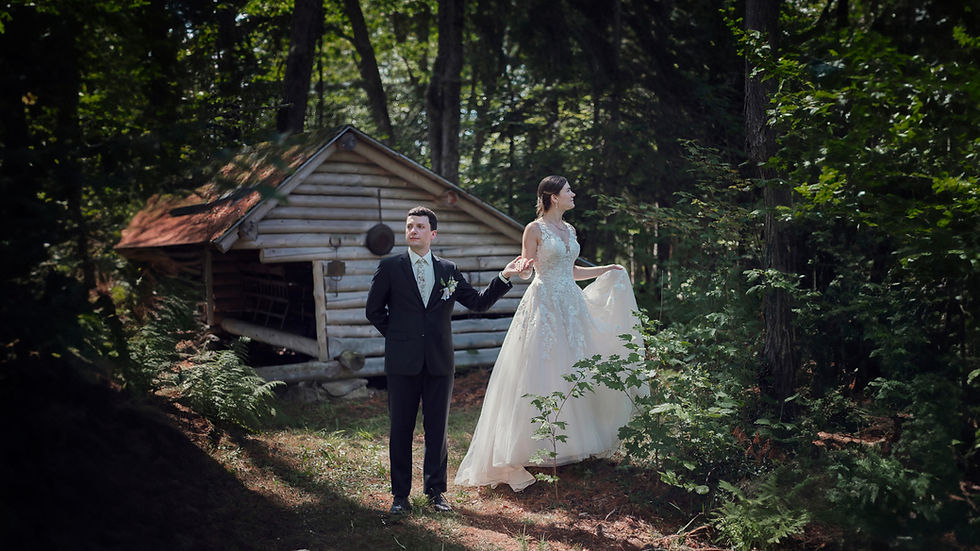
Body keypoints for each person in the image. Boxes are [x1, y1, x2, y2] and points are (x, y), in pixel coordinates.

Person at [454, 175, 644, 492]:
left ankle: (570, 444)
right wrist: (520, 269)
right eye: (568, 190)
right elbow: (529, 268)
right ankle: (525, 449)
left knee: (573, 368)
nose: (573, 194)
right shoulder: (534, 228)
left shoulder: (568, 230)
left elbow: (571, 270)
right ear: (553, 197)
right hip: (544, 304)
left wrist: (605, 269)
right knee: (541, 369)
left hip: (571, 304)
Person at [366, 206, 529, 515]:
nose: (413, 230)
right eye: (409, 226)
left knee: (437, 430)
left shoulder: (449, 270)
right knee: (400, 429)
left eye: (419, 226)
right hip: (402, 363)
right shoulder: (389, 267)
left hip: (440, 362)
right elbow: (373, 311)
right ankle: (400, 496)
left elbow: (478, 303)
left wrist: (505, 276)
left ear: (433, 234)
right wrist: (399, 336)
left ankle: (436, 492)